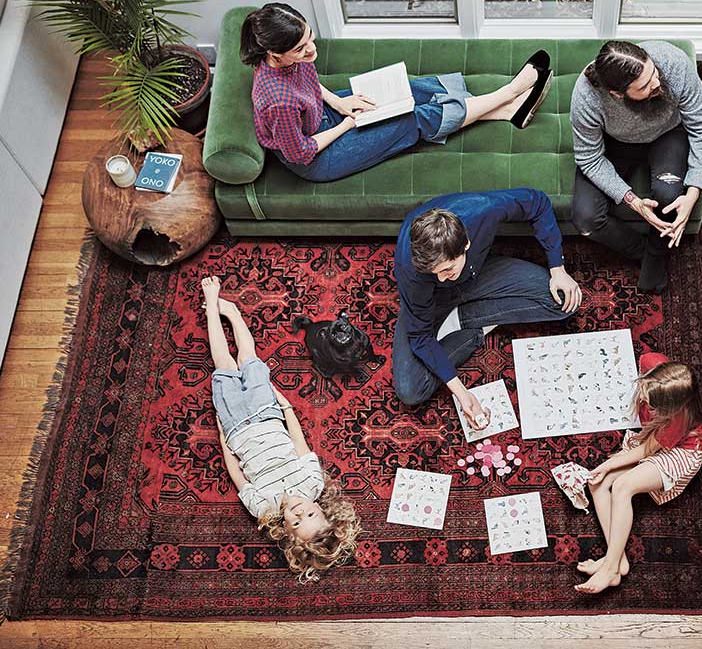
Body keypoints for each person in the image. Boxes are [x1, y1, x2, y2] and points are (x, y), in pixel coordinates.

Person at [241, 3, 551, 182]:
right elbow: (301, 152)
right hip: (319, 157)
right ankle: (509, 94)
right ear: (274, 53)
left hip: (323, 116)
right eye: (301, 48)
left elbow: (306, 82)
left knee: (407, 89)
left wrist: (340, 102)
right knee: (410, 118)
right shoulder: (277, 102)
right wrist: (346, 124)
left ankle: (509, 112)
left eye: (310, 38)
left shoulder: (286, 60)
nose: (312, 49)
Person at [202, 276, 360, 583]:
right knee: (249, 360)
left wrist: (224, 438)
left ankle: (211, 311)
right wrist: (286, 407)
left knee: (224, 365)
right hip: (268, 414)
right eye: (311, 514)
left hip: (236, 427)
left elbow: (238, 475)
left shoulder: (264, 508)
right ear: (322, 509)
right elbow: (299, 444)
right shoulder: (312, 484)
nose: (300, 512)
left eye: (297, 522)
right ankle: (232, 314)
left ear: (287, 533)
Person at [393, 188, 582, 429]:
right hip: (431, 300)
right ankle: (470, 329)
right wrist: (462, 393)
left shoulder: (483, 209)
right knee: (410, 390)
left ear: (466, 244)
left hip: (479, 275)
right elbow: (419, 337)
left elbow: (538, 202)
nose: (442, 278)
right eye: (436, 273)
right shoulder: (414, 269)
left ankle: (464, 318)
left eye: (448, 269)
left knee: (566, 302)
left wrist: (558, 269)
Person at [570, 41, 702, 294]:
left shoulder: (673, 62)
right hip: (616, 143)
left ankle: (656, 253)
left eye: (654, 74)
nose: (656, 84)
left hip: (668, 134)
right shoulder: (586, 96)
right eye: (645, 86)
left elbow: (701, 127)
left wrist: (693, 192)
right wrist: (633, 201)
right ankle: (647, 252)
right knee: (585, 219)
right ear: (617, 93)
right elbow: (589, 158)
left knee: (669, 197)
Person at [574, 352, 702, 594]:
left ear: (667, 408)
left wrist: (606, 464)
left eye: (651, 400)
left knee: (623, 486)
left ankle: (610, 567)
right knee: (598, 483)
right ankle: (618, 560)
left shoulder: (677, 419)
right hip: (649, 439)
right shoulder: (651, 363)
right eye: (644, 386)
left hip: (678, 453)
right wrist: (604, 469)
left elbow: (645, 451)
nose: (643, 395)